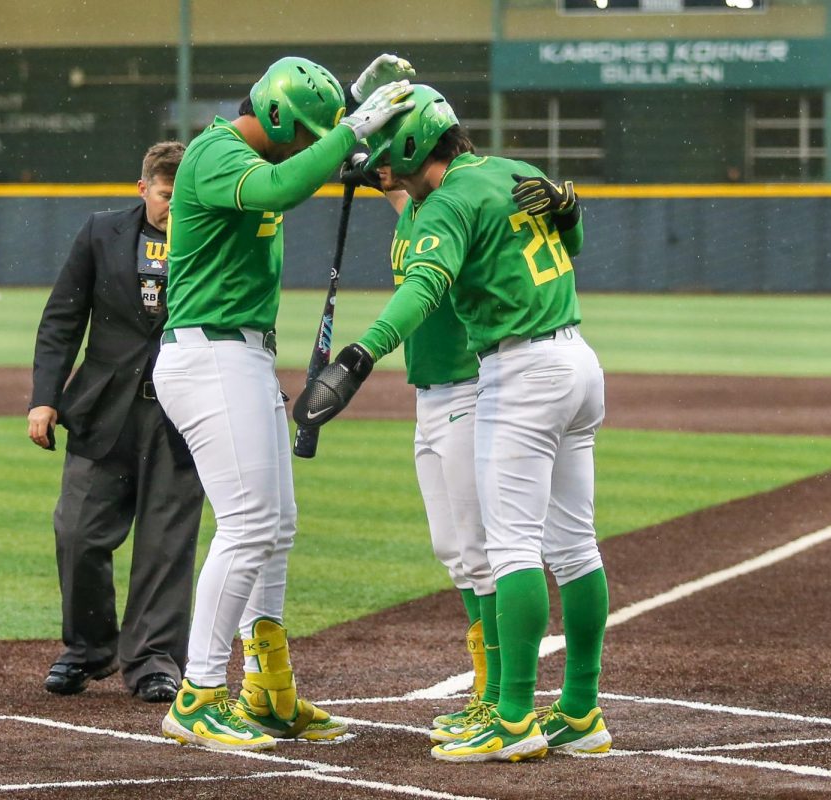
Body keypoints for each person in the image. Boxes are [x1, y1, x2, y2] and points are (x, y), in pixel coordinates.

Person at [296, 85, 612, 763]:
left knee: (513, 551)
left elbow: (423, 287)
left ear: (413, 144)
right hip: (578, 359)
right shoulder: (512, 171)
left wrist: (361, 353)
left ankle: (514, 716)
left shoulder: (448, 202)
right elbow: (570, 237)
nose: (379, 161)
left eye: (387, 149)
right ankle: (581, 710)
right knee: (576, 548)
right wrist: (574, 212)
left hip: (521, 372)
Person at [152, 54, 416, 752]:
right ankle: (199, 694)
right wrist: (348, 128)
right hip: (208, 354)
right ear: (272, 114)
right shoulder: (214, 152)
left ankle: (267, 692)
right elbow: (286, 185)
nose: (310, 146)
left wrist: (347, 111)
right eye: (301, 131)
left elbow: (297, 167)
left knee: (276, 526)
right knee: (248, 524)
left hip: (237, 355)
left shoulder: (244, 148)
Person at [28, 142, 205, 704]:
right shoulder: (100, 232)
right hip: (103, 408)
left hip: (181, 412)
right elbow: (62, 319)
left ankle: (153, 660)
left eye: (184, 198)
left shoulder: (210, 236)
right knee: (76, 532)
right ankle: (87, 649)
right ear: (143, 187)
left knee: (164, 545)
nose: (173, 208)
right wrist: (44, 397)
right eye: (164, 196)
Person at [343, 156, 498, 743]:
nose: (380, 166)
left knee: (480, 552)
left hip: (466, 388)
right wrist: (371, 176)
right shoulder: (411, 211)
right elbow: (402, 199)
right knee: (452, 550)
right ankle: (485, 684)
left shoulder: (445, 213)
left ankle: (496, 694)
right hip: (429, 397)